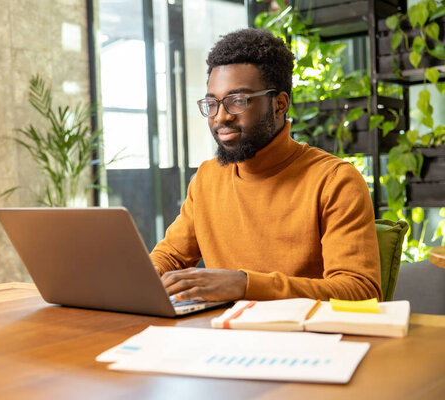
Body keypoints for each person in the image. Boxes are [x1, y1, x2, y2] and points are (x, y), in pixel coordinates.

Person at [150, 28, 382, 303]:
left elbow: (360, 292)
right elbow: (170, 257)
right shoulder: (207, 179)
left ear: (279, 104)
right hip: (222, 336)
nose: (220, 117)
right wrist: (140, 278)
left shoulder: (334, 181)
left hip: (307, 340)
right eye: (212, 103)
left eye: (237, 101)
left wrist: (245, 285)